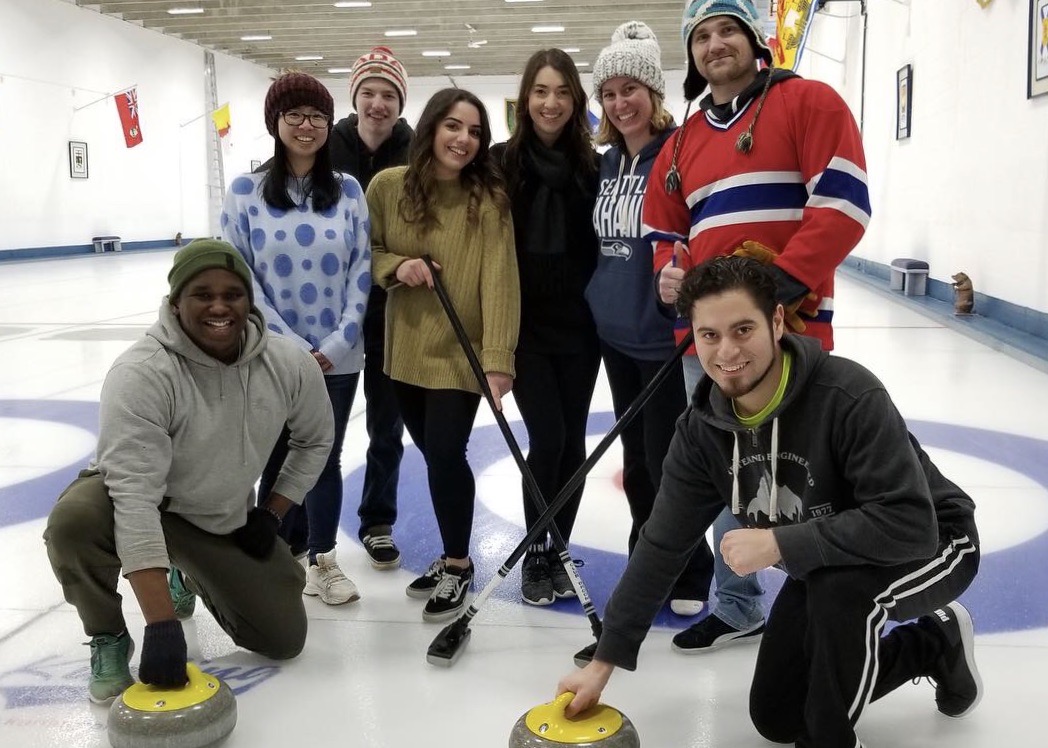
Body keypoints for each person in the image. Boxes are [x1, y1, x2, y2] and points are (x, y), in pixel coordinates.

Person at [558, 255, 981, 748]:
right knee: (778, 715)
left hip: (936, 542)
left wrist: (781, 542)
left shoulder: (847, 394)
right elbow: (662, 545)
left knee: (838, 612)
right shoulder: (702, 433)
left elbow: (910, 524)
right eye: (709, 335)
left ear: (777, 321)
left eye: (743, 329)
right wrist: (603, 663)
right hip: (828, 563)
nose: (727, 351)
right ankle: (933, 644)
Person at [645, 0, 872, 652]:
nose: (716, 44)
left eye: (728, 30)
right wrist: (671, 273)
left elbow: (844, 204)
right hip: (707, 344)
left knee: (813, 478)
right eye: (702, 35)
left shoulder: (809, 103)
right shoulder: (683, 140)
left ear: (755, 39)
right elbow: (667, 230)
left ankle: (840, 604)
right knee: (725, 478)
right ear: (691, 54)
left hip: (790, 334)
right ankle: (740, 604)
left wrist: (771, 301)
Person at [43, 239, 334, 704]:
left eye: (232, 294)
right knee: (74, 522)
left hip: (215, 515)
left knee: (283, 639)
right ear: (176, 302)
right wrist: (161, 626)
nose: (219, 306)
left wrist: (273, 513)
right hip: (138, 501)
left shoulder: (288, 363)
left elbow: (315, 439)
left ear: (249, 300)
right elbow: (134, 497)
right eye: (202, 294)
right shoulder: (142, 372)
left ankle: (186, 572)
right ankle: (109, 636)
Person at [366, 88, 520, 623]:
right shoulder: (387, 188)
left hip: (461, 353)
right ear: (431, 127)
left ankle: (458, 565)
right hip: (405, 346)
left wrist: (498, 360)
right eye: (454, 126)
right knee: (433, 456)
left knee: (448, 455)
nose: (464, 140)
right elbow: (368, 251)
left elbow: (501, 282)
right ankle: (451, 553)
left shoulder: (489, 200)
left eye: (475, 132)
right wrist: (397, 267)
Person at [222, 71, 371, 606]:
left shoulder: (350, 191)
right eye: (295, 115)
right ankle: (278, 554)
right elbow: (241, 277)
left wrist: (332, 346)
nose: (307, 126)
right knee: (278, 453)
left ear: (330, 124)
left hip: (338, 356)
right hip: (269, 354)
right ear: (276, 123)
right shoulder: (245, 193)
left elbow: (362, 269)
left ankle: (324, 559)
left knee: (323, 456)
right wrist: (286, 344)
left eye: (317, 116)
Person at [584, 21, 713, 622]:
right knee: (637, 463)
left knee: (671, 463)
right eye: (608, 93)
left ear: (653, 94)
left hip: (665, 340)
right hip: (617, 337)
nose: (619, 102)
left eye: (630, 89)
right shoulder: (608, 162)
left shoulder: (679, 153)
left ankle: (690, 567)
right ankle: (648, 554)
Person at [490, 49, 600, 607]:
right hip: (524, 326)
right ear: (525, 98)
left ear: (575, 100)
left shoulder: (593, 168)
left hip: (581, 328)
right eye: (540, 91)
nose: (550, 102)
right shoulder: (499, 163)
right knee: (549, 437)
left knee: (575, 446)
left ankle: (557, 547)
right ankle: (538, 552)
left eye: (561, 92)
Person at [330, 46, 413, 571]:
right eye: (369, 93)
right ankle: (304, 527)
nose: (377, 104)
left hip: (391, 312)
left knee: (386, 428)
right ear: (355, 97)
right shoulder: (325, 147)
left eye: (388, 95)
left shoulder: (415, 150)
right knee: (320, 432)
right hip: (332, 314)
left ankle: (377, 521)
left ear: (400, 104)